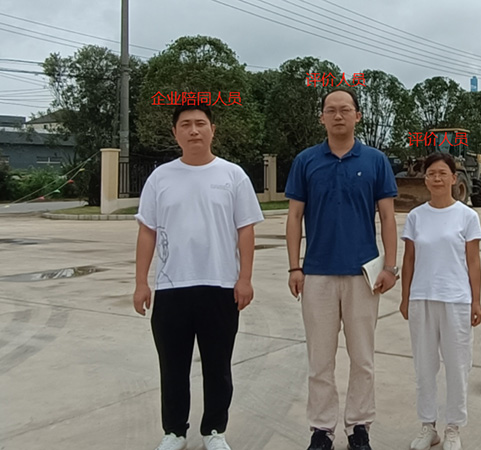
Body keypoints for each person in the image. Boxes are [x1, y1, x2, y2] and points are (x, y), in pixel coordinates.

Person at [133, 103, 264, 450]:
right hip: (172, 286)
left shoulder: (233, 175)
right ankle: (174, 432)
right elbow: (147, 231)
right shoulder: (160, 178)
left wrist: (245, 278)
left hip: (220, 286)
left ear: (212, 130)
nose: (194, 130)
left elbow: (246, 229)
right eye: (186, 124)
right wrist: (141, 282)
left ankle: (214, 431)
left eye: (200, 123)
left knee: (218, 365)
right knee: (172, 365)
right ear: (175, 133)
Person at [285, 88, 399, 450]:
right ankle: (321, 429)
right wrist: (294, 267)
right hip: (317, 273)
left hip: (363, 274)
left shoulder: (376, 161)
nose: (338, 116)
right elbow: (294, 216)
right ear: (321, 117)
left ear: (357, 116)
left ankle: (359, 427)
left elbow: (388, 217)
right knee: (320, 359)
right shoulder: (306, 161)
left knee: (362, 358)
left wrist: (391, 266)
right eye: (331, 110)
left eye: (345, 109)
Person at [399, 152, 481, 450]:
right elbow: (409, 259)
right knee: (424, 367)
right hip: (422, 297)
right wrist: (405, 297)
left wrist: (476, 301)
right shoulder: (416, 217)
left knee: (457, 366)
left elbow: (473, 262)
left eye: (442, 173)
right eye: (431, 174)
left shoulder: (467, 216)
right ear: (425, 179)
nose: (437, 178)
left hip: (456, 299)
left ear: (453, 178)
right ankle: (428, 426)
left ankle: (453, 428)